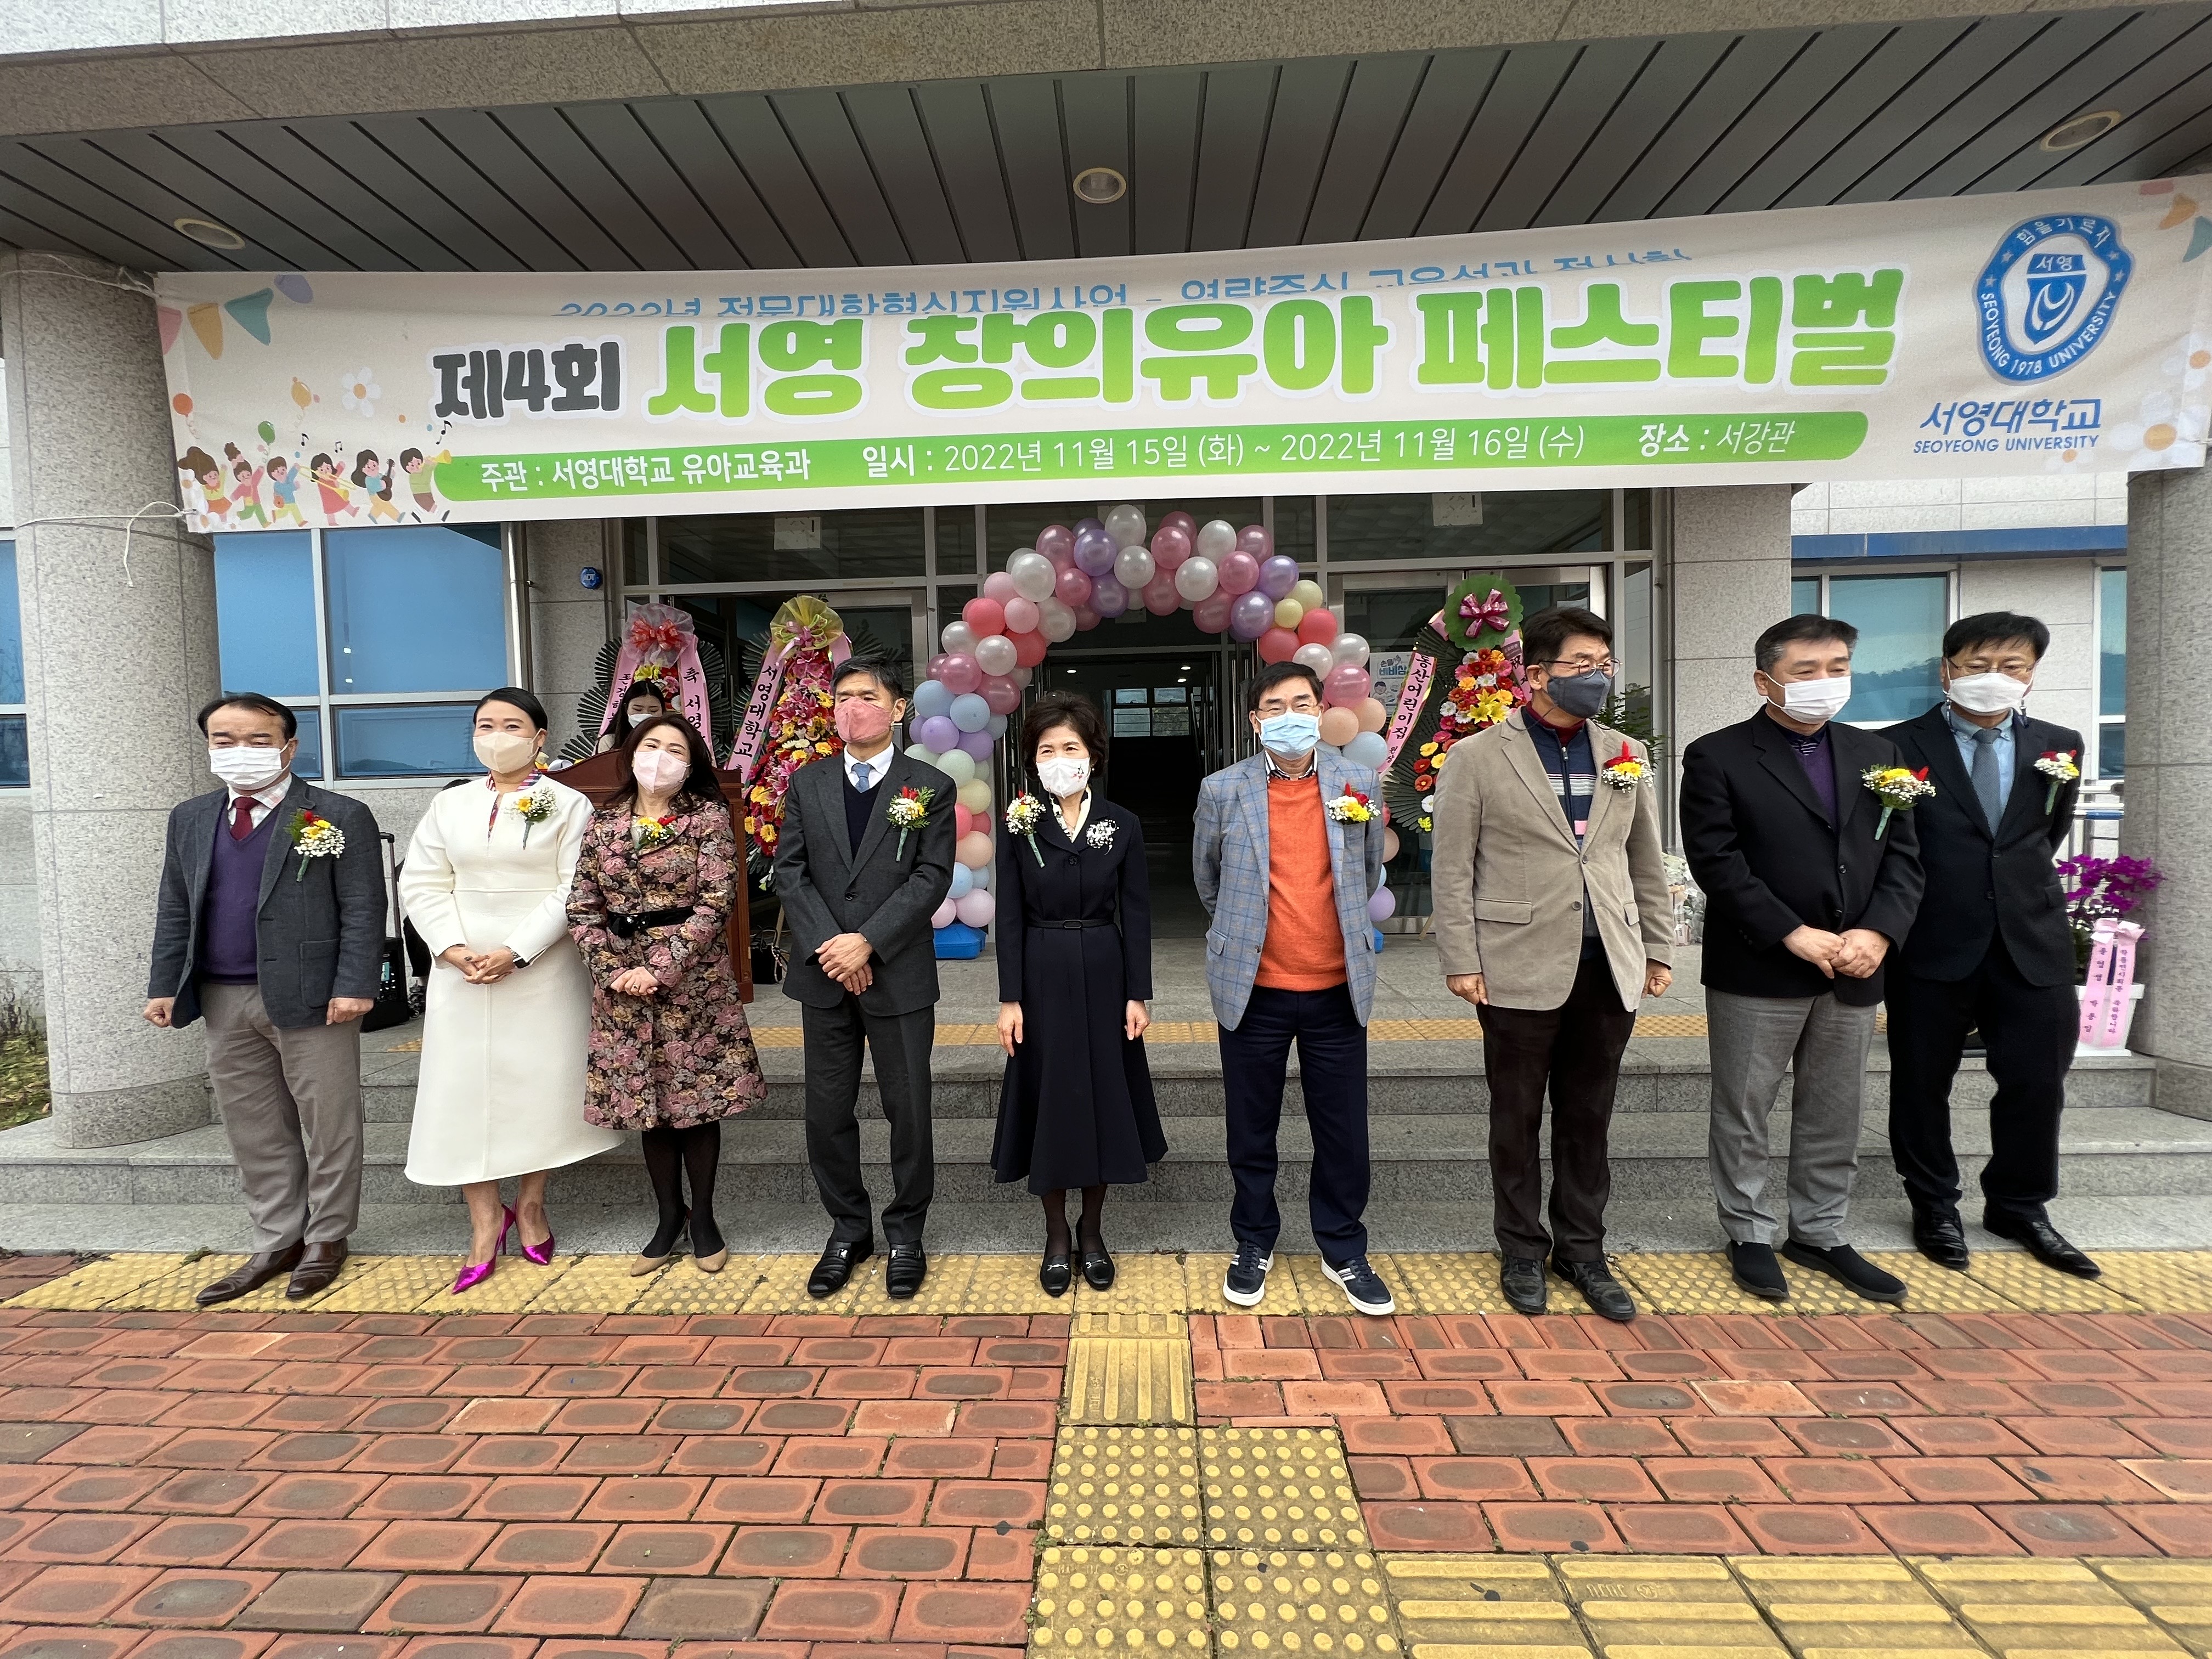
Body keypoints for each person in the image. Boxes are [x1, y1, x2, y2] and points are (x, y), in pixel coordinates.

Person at [1429, 606, 1675, 1322]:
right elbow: (1453, 869)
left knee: (1588, 1117)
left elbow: (1644, 856)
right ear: (1536, 674)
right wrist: (1461, 958)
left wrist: (1658, 945)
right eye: (1581, 664)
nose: (1597, 676)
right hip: (1516, 964)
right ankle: (1520, 1248)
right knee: (1515, 1118)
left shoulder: (1625, 753)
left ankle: (1583, 1250)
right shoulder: (1477, 756)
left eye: (1604, 664)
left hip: (1608, 964)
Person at [1680, 614, 1925, 1304]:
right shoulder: (1717, 756)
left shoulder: (1878, 753)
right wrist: (1790, 931)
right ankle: (1748, 1232)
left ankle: (1819, 1232)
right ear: (1766, 681)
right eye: (1806, 671)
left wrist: (1879, 933)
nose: (1827, 682)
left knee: (1835, 1108)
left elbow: (1905, 859)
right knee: (1745, 1107)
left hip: (1855, 964)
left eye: (1838, 668)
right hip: (1761, 963)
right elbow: (1717, 861)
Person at [145, 693, 383, 1305]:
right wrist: (165, 984)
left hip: (316, 996)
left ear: (289, 747)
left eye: (257, 740)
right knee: (254, 1127)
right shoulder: (191, 817)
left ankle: (328, 1237)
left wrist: (355, 985)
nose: (240, 751)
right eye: (224, 740)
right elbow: (176, 905)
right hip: (222, 995)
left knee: (330, 1124)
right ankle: (278, 1239)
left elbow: (363, 907)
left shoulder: (337, 815)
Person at [1882, 612, 2095, 1277]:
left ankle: (2020, 1204)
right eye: (1978, 666)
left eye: (2013, 667)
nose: (1994, 678)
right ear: (1947, 671)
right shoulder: (1895, 745)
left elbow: (2041, 836)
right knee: (1922, 1082)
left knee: (2037, 1080)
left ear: (2033, 674)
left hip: (2032, 939)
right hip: (1931, 939)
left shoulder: (2061, 745)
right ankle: (1934, 1203)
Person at [400, 689, 622, 1295]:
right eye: (486, 725)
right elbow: (422, 881)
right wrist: (452, 948)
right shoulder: (450, 805)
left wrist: (517, 950)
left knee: (538, 1089)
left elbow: (575, 887)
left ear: (539, 737)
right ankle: (482, 1221)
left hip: (541, 965)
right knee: (461, 1091)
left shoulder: (569, 804)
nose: (497, 736)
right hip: (461, 967)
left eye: (512, 725)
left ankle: (530, 1204)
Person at [1194, 661, 1390, 1316]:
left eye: (1301, 704)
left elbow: (1365, 873)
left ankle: (1343, 1247)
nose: (1289, 717)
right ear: (1256, 721)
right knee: (1251, 1130)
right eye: (1274, 707)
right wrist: (1248, 935)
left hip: (1338, 989)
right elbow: (1208, 881)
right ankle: (1254, 1241)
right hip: (1254, 990)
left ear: (1322, 710)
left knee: (1344, 1132)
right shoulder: (1222, 789)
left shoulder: (1359, 783)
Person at [771, 660, 956, 1300]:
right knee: (826, 1111)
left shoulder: (929, 786)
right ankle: (848, 1229)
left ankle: (907, 1233)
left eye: (867, 696)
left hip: (898, 973)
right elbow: (790, 871)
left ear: (898, 709)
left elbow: (931, 876)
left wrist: (868, 942)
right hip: (825, 975)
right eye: (843, 697)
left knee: (909, 1111)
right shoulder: (808, 782)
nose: (854, 707)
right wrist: (835, 948)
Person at [568, 713, 765, 1274]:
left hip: (692, 984)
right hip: (621, 988)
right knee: (648, 1105)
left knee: (695, 1104)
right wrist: (613, 971)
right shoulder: (604, 821)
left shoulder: (707, 817)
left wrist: (660, 968)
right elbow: (581, 905)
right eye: (650, 745)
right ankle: (668, 1215)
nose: (660, 758)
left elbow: (715, 902)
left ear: (691, 762)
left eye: (674, 749)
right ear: (630, 753)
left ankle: (704, 1219)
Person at [992, 692, 1165, 1294]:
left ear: (1093, 755)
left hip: (1104, 969)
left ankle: (1092, 1231)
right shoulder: (1019, 821)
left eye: (1071, 747)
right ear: (1032, 760)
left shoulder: (1123, 823)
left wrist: (1138, 993)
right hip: (1040, 972)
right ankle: (1056, 1234)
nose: (1060, 759)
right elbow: (1008, 914)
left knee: (1102, 1100)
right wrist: (1009, 998)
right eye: (1047, 750)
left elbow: (1136, 914)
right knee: (1050, 1100)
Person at [597, 678, 672, 754]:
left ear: (663, 711)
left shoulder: (672, 739)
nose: (646, 715)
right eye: (638, 710)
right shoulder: (610, 741)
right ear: (626, 708)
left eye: (654, 711)